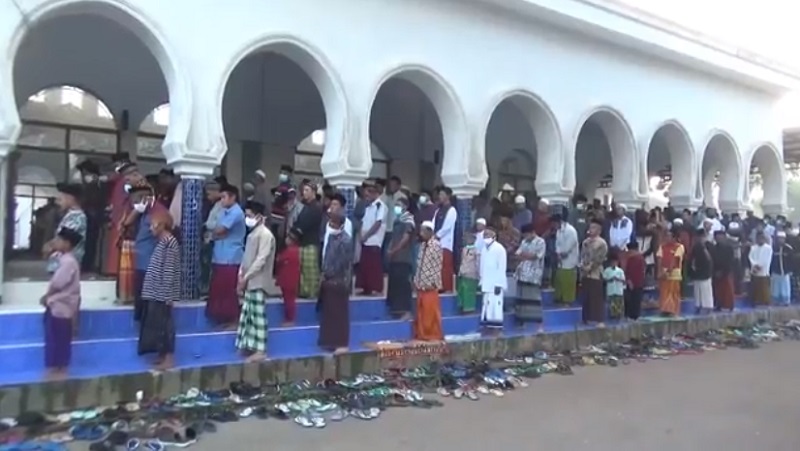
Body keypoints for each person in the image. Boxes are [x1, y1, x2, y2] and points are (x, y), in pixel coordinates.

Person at [137, 211, 180, 370]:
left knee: (165, 326)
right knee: (156, 325)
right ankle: (161, 355)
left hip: (162, 294)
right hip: (154, 292)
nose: (150, 229)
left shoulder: (170, 243)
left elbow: (168, 271)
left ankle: (168, 358)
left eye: (153, 225)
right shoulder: (161, 242)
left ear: (162, 225)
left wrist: (168, 295)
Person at [234, 201, 275, 362]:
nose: (247, 218)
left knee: (258, 317)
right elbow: (246, 258)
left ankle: (261, 350)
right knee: (249, 315)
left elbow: (261, 259)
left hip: (258, 281)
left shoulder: (265, 235)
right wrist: (241, 275)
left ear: (259, 217)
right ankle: (249, 345)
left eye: (249, 215)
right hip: (249, 280)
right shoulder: (252, 234)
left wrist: (246, 277)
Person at [41, 227, 82, 380]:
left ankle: (58, 371)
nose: (55, 243)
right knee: (57, 339)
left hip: (60, 308)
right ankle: (56, 369)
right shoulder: (64, 259)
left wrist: (47, 295)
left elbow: (58, 283)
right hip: (59, 308)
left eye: (59, 240)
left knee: (58, 340)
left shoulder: (68, 262)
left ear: (67, 244)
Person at [208, 185, 246, 329]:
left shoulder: (236, 213)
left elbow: (220, 229)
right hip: (220, 255)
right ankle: (222, 318)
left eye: (224, 197)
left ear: (233, 197)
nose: (221, 200)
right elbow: (211, 225)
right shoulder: (223, 210)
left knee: (229, 291)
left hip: (231, 257)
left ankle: (233, 320)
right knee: (219, 290)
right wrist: (216, 232)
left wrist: (216, 233)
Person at [128, 185, 168, 321]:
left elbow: (163, 234)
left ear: (145, 198)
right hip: (141, 262)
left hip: (150, 264)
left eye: (136, 201)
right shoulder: (144, 212)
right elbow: (126, 224)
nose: (134, 204)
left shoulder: (158, 212)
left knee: (148, 304)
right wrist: (136, 211)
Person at [318, 211, 354, 354]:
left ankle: (341, 343)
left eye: (332, 223)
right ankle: (329, 341)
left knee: (339, 314)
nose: (330, 225)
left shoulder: (346, 240)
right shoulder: (332, 238)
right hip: (328, 280)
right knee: (329, 314)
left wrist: (328, 274)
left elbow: (342, 263)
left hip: (339, 281)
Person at [45, 183, 87, 273]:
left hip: (67, 268)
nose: (57, 202)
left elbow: (65, 244)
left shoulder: (77, 217)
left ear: (70, 198)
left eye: (61, 199)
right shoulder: (70, 215)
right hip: (61, 267)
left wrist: (49, 246)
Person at [413, 221, 444, 341]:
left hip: (430, 284)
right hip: (421, 283)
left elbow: (437, 265)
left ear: (429, 232)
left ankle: (432, 334)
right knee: (421, 311)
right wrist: (416, 280)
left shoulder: (436, 246)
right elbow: (419, 264)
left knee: (430, 312)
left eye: (423, 231)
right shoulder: (422, 246)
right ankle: (421, 334)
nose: (421, 234)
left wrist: (432, 282)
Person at [386, 197, 415, 319]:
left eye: (399, 205)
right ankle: (395, 311)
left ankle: (406, 311)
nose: (396, 207)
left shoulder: (408, 219)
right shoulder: (397, 220)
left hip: (403, 257)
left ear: (405, 206)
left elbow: (405, 238)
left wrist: (394, 250)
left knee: (403, 285)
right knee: (394, 284)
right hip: (395, 258)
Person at [294, 181, 323, 299]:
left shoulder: (316, 207)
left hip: (311, 241)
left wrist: (294, 234)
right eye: (304, 190)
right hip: (303, 241)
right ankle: (303, 291)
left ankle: (311, 292)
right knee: (302, 269)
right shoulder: (306, 206)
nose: (304, 193)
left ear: (314, 193)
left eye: (307, 191)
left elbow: (305, 223)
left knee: (310, 269)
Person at [356, 181, 386, 296]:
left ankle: (376, 288)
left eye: (369, 192)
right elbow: (362, 222)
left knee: (374, 266)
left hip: (374, 240)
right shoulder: (368, 207)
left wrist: (366, 236)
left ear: (376, 193)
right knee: (364, 266)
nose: (367, 195)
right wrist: (360, 236)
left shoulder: (380, 206)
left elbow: (377, 223)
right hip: (365, 240)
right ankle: (365, 288)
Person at [514, 224, 545, 331]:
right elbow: (517, 254)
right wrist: (526, 255)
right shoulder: (524, 242)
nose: (525, 237)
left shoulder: (540, 242)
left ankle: (539, 325)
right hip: (522, 273)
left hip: (534, 275)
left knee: (534, 300)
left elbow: (536, 256)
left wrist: (525, 255)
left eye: (527, 234)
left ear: (532, 232)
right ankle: (521, 323)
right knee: (521, 300)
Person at [480, 227, 507, 333]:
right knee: (486, 305)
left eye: (488, 236)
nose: (486, 238)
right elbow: (482, 266)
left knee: (495, 306)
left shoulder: (500, 249)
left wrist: (499, 284)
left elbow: (501, 268)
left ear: (494, 237)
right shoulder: (484, 249)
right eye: (484, 236)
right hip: (486, 283)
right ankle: (487, 326)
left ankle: (496, 328)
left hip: (496, 284)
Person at [581, 219, 608, 326]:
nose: (591, 230)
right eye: (590, 227)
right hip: (585, 272)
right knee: (586, 297)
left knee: (596, 297)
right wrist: (583, 266)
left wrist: (590, 267)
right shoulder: (585, 242)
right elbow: (583, 256)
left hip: (596, 272)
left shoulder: (602, 243)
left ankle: (599, 320)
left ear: (599, 230)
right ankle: (585, 318)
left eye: (594, 228)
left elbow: (599, 258)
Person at [433, 187, 458, 293]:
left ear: (448, 196)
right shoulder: (438, 210)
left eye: (443, 194)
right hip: (436, 241)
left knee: (446, 266)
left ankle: (447, 287)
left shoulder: (452, 210)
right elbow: (433, 223)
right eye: (440, 194)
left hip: (445, 243)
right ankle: (438, 286)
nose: (440, 197)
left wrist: (437, 235)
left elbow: (447, 226)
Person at [551, 214, 579, 305]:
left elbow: (569, 246)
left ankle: (568, 301)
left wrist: (562, 254)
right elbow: (557, 244)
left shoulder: (570, 231)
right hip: (560, 259)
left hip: (569, 259)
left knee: (568, 281)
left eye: (554, 224)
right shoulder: (558, 231)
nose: (553, 226)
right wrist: (558, 253)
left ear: (559, 222)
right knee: (559, 280)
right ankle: (559, 298)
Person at [657, 229, 685, 316]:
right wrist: (660, 271)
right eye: (666, 236)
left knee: (673, 293)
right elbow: (659, 259)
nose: (666, 238)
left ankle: (674, 311)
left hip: (674, 273)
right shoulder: (662, 246)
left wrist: (668, 271)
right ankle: (664, 310)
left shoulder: (679, 247)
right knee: (664, 292)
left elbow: (676, 260)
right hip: (663, 272)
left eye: (669, 236)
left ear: (674, 237)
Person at [276, 228, 301, 326]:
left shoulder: (289, 252)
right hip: (292, 280)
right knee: (290, 300)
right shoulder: (296, 251)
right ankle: (289, 318)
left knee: (289, 301)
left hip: (288, 280)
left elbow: (279, 260)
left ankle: (290, 319)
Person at [689, 228, 714, 315]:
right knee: (697, 290)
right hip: (697, 271)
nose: (700, 238)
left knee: (706, 289)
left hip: (706, 271)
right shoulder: (695, 247)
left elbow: (710, 259)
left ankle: (707, 306)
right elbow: (692, 259)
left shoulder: (709, 246)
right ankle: (698, 305)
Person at [711, 229, 736, 311]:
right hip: (716, 272)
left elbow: (730, 261)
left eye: (720, 237)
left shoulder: (729, 248)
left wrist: (723, 271)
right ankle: (718, 305)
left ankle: (729, 306)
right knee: (717, 291)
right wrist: (715, 272)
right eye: (717, 237)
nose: (719, 239)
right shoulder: (713, 248)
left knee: (727, 290)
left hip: (726, 271)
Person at [457, 232, 480, 314]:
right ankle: (462, 307)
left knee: (469, 292)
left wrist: (478, 274)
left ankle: (469, 309)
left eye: (469, 238)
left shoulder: (476, 251)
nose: (467, 240)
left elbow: (478, 263)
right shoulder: (464, 249)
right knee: (462, 291)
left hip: (471, 274)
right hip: (463, 273)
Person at [623, 241, 646, 320]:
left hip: (635, 283)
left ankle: (633, 316)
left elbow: (627, 271)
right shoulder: (638, 258)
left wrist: (628, 280)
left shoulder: (634, 258)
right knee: (633, 299)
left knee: (634, 300)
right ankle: (632, 316)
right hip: (635, 282)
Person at [749, 232, 773, 307]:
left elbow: (767, 259)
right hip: (755, 269)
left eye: (762, 238)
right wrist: (755, 265)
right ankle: (756, 301)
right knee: (755, 287)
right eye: (759, 238)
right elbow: (750, 257)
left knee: (764, 287)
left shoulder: (768, 248)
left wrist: (760, 266)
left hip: (764, 270)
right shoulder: (753, 248)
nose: (760, 240)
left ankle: (765, 301)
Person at [770, 231, 793, 306]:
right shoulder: (773, 248)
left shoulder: (788, 248)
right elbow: (771, 260)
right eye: (779, 238)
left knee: (785, 287)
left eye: (782, 238)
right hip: (776, 271)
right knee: (776, 287)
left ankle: (786, 301)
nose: (780, 240)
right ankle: (776, 301)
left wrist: (790, 270)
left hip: (785, 272)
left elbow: (791, 260)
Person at [603, 252, 626, 322]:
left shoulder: (620, 271)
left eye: (615, 262)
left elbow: (623, 280)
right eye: (612, 262)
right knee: (611, 303)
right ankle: (612, 316)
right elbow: (604, 279)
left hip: (618, 290)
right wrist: (610, 279)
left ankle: (619, 316)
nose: (614, 263)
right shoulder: (607, 270)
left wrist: (617, 279)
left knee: (619, 303)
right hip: (611, 290)